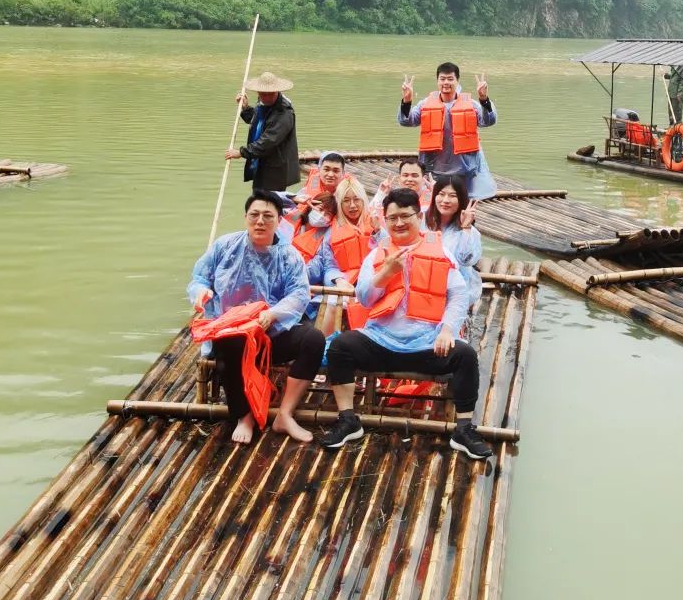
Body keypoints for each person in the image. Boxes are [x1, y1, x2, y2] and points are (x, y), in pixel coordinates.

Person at [319, 187, 493, 461]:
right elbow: (363, 298)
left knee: (466, 356)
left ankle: (464, 430)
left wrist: (447, 329)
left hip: (426, 344)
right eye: (392, 218)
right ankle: (348, 420)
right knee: (341, 346)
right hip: (382, 341)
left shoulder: (441, 251)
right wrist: (385, 273)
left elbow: (458, 294)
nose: (398, 223)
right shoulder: (376, 255)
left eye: (405, 216)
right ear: (385, 220)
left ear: (418, 215)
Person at [187, 190, 325, 444]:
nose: (260, 221)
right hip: (232, 330)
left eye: (267, 216)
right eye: (254, 215)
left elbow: (298, 294)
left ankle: (285, 414)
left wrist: (274, 314)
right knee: (228, 343)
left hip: (270, 333)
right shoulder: (225, 245)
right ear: (246, 218)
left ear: (279, 220)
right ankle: (244, 415)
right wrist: (201, 292)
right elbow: (199, 278)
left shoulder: (289, 255)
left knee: (314, 340)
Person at [398, 62, 497, 198]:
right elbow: (406, 121)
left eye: (450, 79)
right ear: (437, 81)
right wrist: (406, 101)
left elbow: (488, 121)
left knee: (463, 205)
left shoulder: (472, 105)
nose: (446, 82)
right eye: (442, 79)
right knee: (437, 206)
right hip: (435, 169)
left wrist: (484, 99)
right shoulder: (425, 104)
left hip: (465, 169)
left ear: (457, 81)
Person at [314, 174, 376, 336]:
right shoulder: (331, 232)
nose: (352, 205)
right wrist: (340, 281)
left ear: (363, 200)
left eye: (356, 199)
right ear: (339, 204)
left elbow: (388, 252)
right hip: (345, 284)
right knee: (334, 302)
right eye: (346, 201)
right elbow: (329, 266)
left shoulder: (377, 224)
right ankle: (325, 346)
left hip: (374, 283)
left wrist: (380, 232)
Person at [225, 72, 299, 192]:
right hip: (261, 163)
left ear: (276, 92)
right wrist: (245, 108)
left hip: (275, 169)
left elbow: (267, 142)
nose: (264, 97)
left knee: (269, 202)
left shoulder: (284, 113)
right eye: (261, 94)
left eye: (268, 94)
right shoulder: (264, 103)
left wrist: (241, 152)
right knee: (258, 196)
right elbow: (258, 123)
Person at [426, 174, 483, 309]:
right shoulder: (423, 220)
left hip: (453, 291)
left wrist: (466, 227)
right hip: (424, 283)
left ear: (461, 200)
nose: (445, 200)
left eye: (452, 196)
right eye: (441, 194)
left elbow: (466, 260)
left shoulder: (469, 232)